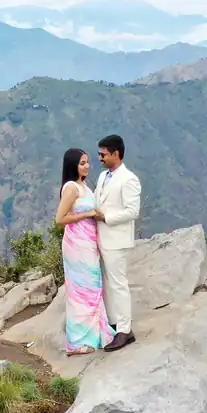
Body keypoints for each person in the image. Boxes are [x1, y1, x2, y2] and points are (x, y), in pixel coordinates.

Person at [55, 148, 112, 355]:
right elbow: (60, 219)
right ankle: (76, 342)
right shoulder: (71, 188)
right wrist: (87, 213)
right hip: (76, 244)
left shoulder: (84, 186)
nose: (87, 166)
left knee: (92, 287)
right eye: (82, 163)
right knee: (81, 291)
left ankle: (94, 334)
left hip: (89, 242)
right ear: (73, 165)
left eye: (87, 162)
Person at [93, 134, 141, 351]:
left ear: (116, 154)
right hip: (101, 238)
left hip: (116, 240)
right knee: (107, 283)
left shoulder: (129, 179)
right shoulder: (103, 177)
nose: (100, 158)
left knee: (118, 284)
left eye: (103, 154)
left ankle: (125, 330)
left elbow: (132, 211)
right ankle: (113, 323)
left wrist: (106, 217)